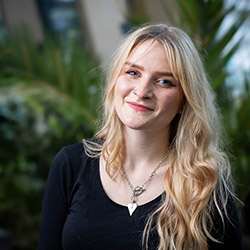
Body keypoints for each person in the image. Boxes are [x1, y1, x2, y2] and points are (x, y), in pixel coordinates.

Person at [38, 24, 243, 250]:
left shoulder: (205, 185)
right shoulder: (71, 164)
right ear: (116, 79)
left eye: (164, 81)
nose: (142, 90)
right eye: (133, 73)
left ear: (184, 101)